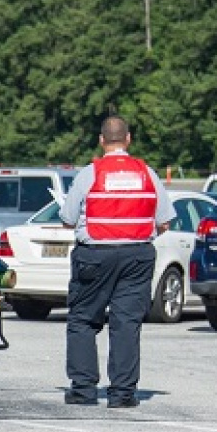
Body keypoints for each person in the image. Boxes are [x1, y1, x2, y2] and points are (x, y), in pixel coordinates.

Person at [59, 115, 174, 408]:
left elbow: (68, 219)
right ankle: (122, 393)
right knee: (126, 323)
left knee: (83, 319)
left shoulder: (90, 173)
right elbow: (165, 221)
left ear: (101, 141)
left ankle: (84, 390)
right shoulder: (147, 173)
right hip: (137, 255)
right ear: (128, 139)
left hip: (95, 256)